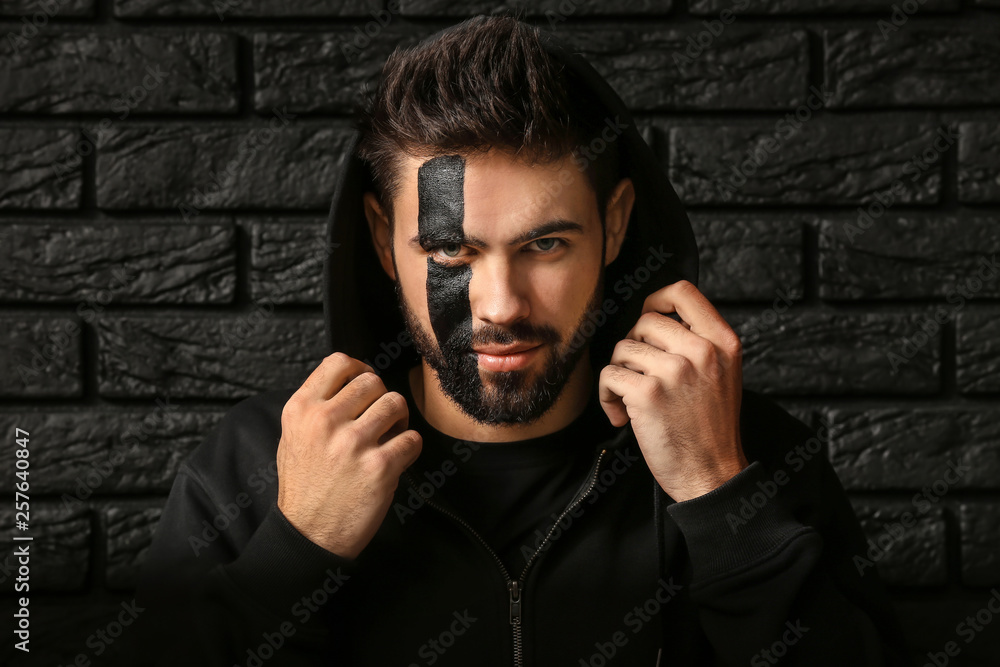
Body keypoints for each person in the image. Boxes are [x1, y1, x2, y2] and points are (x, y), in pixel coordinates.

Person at [133, 15, 914, 667]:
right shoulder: (251, 468)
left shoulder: (748, 453)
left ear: (612, 227)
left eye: (545, 245)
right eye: (451, 253)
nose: (499, 305)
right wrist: (295, 554)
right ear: (382, 240)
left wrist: (721, 498)